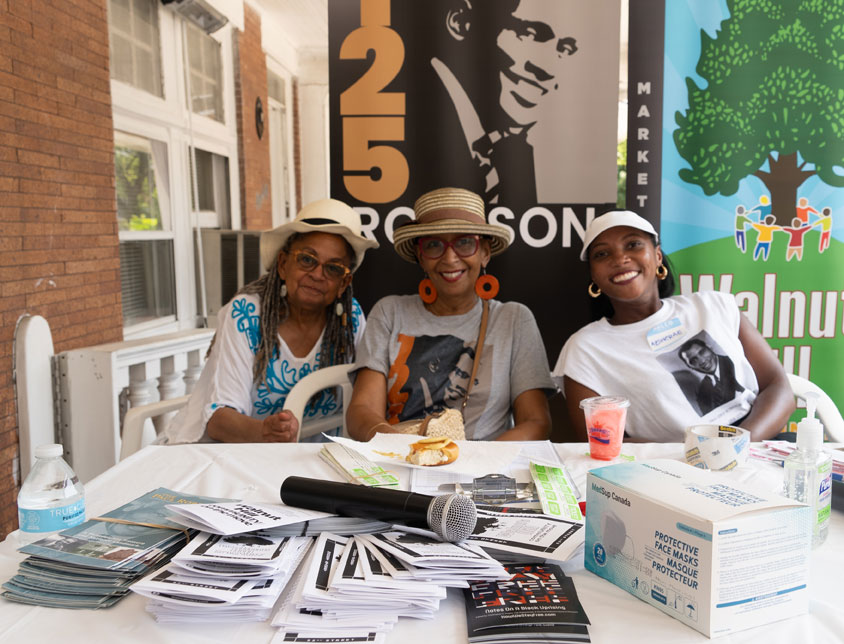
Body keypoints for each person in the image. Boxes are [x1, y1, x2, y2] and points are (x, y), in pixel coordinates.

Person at [553, 210, 794, 442]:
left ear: (657, 256)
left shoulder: (712, 305)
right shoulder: (586, 348)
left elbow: (777, 387)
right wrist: (692, 455)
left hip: (759, 446)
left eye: (633, 244)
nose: (620, 259)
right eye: (602, 254)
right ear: (594, 276)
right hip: (672, 470)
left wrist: (740, 444)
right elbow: (601, 442)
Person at [160, 199, 378, 444]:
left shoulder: (352, 319)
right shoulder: (246, 313)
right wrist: (266, 431)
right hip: (220, 454)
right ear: (283, 265)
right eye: (307, 259)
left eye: (333, 268)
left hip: (304, 463)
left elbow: (364, 399)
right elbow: (219, 421)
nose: (317, 274)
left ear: (343, 284)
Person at [346, 187, 553, 441]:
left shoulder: (514, 319)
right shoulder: (389, 313)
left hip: (483, 472)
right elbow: (361, 412)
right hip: (401, 463)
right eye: (434, 245)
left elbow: (536, 422)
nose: (450, 258)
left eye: (465, 242)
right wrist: (405, 451)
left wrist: (477, 462)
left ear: (485, 253)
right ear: (420, 257)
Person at [403, 0, 582, 205]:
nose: (547, 70)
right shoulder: (408, 125)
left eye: (566, 48)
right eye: (530, 34)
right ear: (460, 22)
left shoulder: (515, 148)